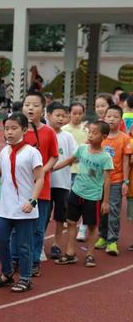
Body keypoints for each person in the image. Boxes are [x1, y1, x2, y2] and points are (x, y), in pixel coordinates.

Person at [0, 112, 44, 292]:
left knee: (24, 245)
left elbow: (40, 178)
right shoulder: (5, 150)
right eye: (7, 129)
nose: (9, 132)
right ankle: (7, 272)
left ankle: (25, 278)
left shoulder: (32, 153)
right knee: (1, 240)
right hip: (6, 208)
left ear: (24, 130)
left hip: (25, 208)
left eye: (14, 128)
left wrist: (32, 201)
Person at [11, 92, 58, 276]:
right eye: (27, 104)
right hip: (19, 189)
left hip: (41, 189)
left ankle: (34, 261)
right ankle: (15, 259)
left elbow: (54, 155)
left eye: (35, 105)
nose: (30, 108)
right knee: (16, 228)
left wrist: (44, 170)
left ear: (43, 110)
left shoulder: (48, 132)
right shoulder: (16, 130)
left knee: (38, 229)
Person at [54, 121, 113, 267]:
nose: (91, 135)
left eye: (95, 133)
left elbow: (107, 181)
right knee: (71, 222)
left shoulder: (105, 158)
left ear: (104, 136)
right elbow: (69, 160)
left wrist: (105, 202)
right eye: (90, 132)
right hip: (76, 192)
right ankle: (70, 253)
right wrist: (50, 169)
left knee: (92, 226)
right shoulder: (82, 149)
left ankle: (90, 254)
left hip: (93, 197)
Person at [95, 105, 132, 255]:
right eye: (109, 116)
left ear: (120, 119)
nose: (111, 119)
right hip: (99, 181)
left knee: (113, 211)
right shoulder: (100, 137)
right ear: (104, 118)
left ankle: (112, 240)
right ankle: (102, 236)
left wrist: (125, 181)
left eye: (115, 116)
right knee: (101, 210)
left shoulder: (124, 139)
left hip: (116, 180)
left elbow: (125, 161)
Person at [46, 103, 77, 259]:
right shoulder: (44, 133)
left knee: (60, 215)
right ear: (48, 115)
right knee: (43, 215)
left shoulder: (67, 136)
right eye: (57, 115)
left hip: (62, 184)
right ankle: (38, 244)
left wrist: (53, 167)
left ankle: (56, 243)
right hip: (44, 184)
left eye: (64, 116)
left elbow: (73, 156)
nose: (60, 118)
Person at [62, 102, 89, 241]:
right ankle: (70, 219)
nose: (77, 116)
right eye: (74, 113)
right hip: (67, 170)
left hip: (82, 171)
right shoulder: (64, 130)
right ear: (69, 114)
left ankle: (82, 228)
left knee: (83, 199)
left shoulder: (86, 131)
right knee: (69, 198)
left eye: (80, 113)